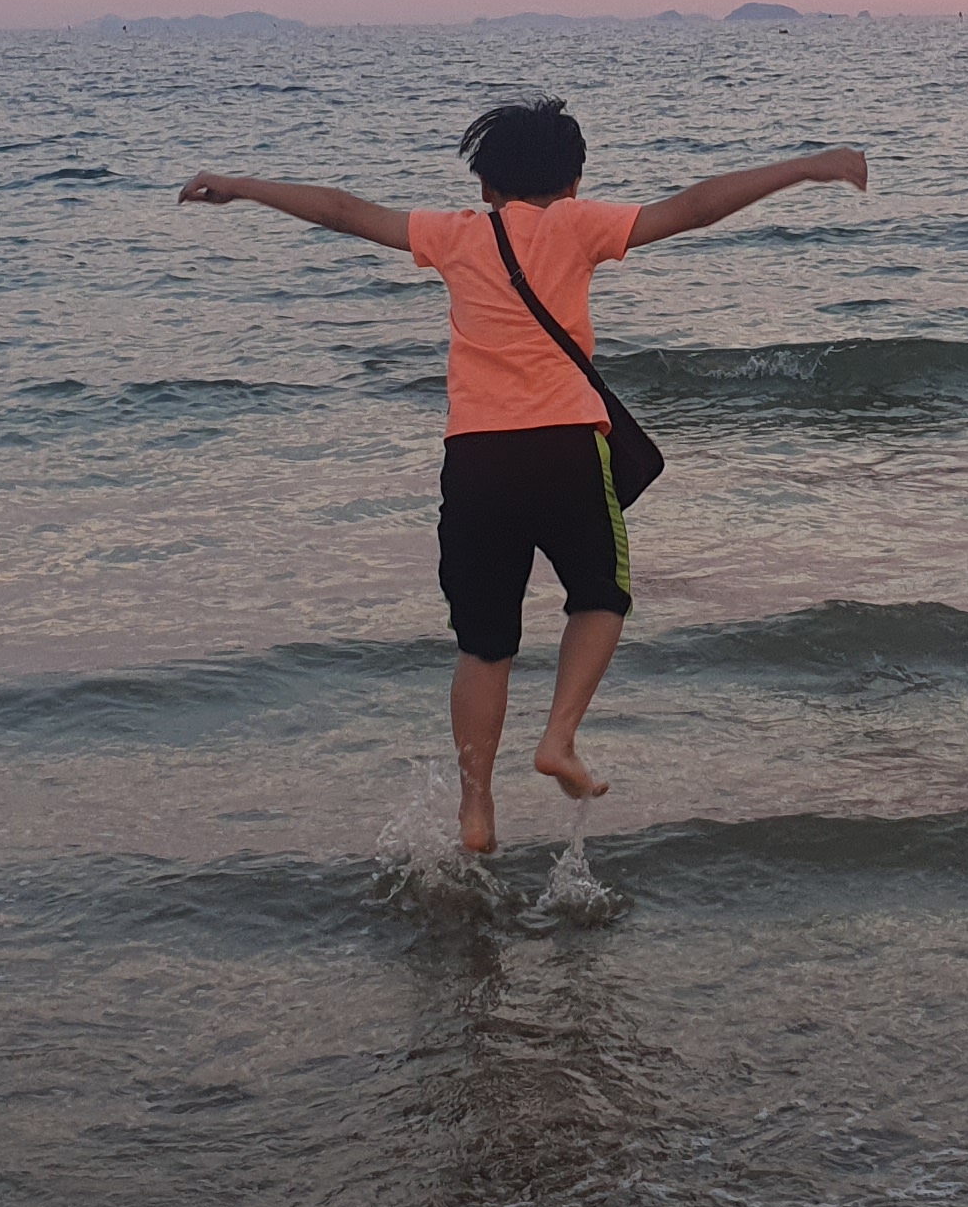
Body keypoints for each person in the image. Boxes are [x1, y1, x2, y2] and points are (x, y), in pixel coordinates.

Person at [177, 99, 869, 854]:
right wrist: (809, 167)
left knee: (484, 645)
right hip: (567, 447)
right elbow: (694, 207)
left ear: (484, 187)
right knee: (601, 598)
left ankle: (476, 806)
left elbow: (344, 211)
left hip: (477, 459)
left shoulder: (454, 234)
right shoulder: (579, 226)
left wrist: (240, 185)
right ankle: (559, 738)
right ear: (574, 183)